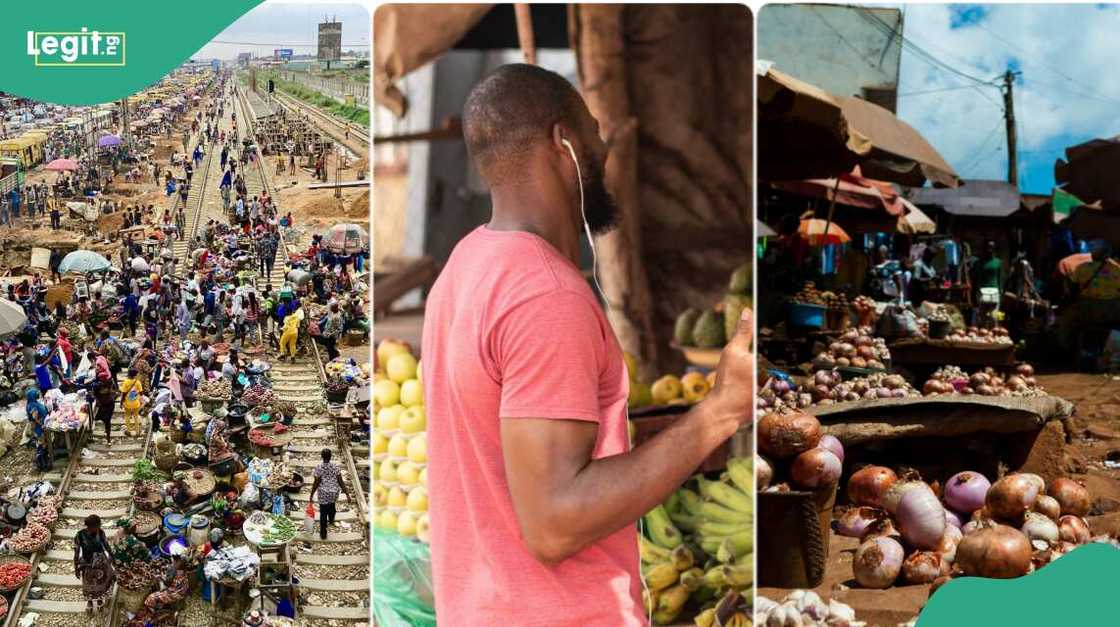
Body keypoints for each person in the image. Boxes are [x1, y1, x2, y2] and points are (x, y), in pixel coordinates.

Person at [419, 65, 753, 626]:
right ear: (563, 142)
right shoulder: (545, 296)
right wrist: (719, 413)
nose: (604, 152)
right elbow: (555, 523)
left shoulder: (465, 266)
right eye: (594, 133)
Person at [75, 515, 115, 616]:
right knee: (88, 584)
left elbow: (106, 545)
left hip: (100, 562)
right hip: (87, 563)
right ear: (90, 526)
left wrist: (111, 556)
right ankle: (90, 603)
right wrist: (76, 568)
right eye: (98, 525)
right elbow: (76, 553)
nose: (99, 527)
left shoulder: (100, 532)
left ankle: (99, 601)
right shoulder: (79, 535)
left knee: (101, 582)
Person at [310, 448, 342, 540]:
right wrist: (347, 494)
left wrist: (311, 494)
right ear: (331, 456)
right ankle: (331, 519)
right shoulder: (335, 467)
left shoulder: (319, 467)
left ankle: (323, 533)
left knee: (323, 513)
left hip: (323, 493)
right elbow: (340, 481)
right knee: (332, 507)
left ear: (321, 456)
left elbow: (316, 482)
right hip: (334, 492)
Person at [119, 367, 144, 437]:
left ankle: (129, 431)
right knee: (136, 416)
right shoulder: (137, 382)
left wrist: (121, 403)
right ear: (134, 375)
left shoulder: (126, 382)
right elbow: (141, 393)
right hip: (136, 403)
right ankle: (137, 431)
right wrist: (141, 400)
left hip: (127, 403)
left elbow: (123, 394)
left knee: (127, 416)